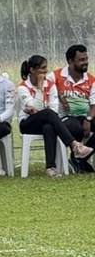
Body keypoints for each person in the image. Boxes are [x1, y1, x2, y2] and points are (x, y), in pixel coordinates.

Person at [16, 55, 92, 177]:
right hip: (28, 123)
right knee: (47, 114)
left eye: (46, 68)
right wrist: (40, 90)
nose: (45, 71)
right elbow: (34, 107)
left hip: (45, 120)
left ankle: (51, 167)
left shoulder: (50, 85)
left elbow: (54, 108)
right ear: (32, 70)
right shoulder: (23, 87)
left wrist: (41, 108)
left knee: (49, 126)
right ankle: (75, 145)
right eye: (42, 68)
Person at [52, 44, 95, 173]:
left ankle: (79, 158)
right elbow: (44, 88)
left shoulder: (91, 80)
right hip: (63, 118)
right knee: (75, 127)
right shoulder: (55, 76)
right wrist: (59, 95)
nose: (85, 63)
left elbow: (94, 104)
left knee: (85, 124)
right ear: (70, 61)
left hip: (84, 116)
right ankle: (78, 157)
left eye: (86, 59)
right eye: (81, 60)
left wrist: (88, 118)